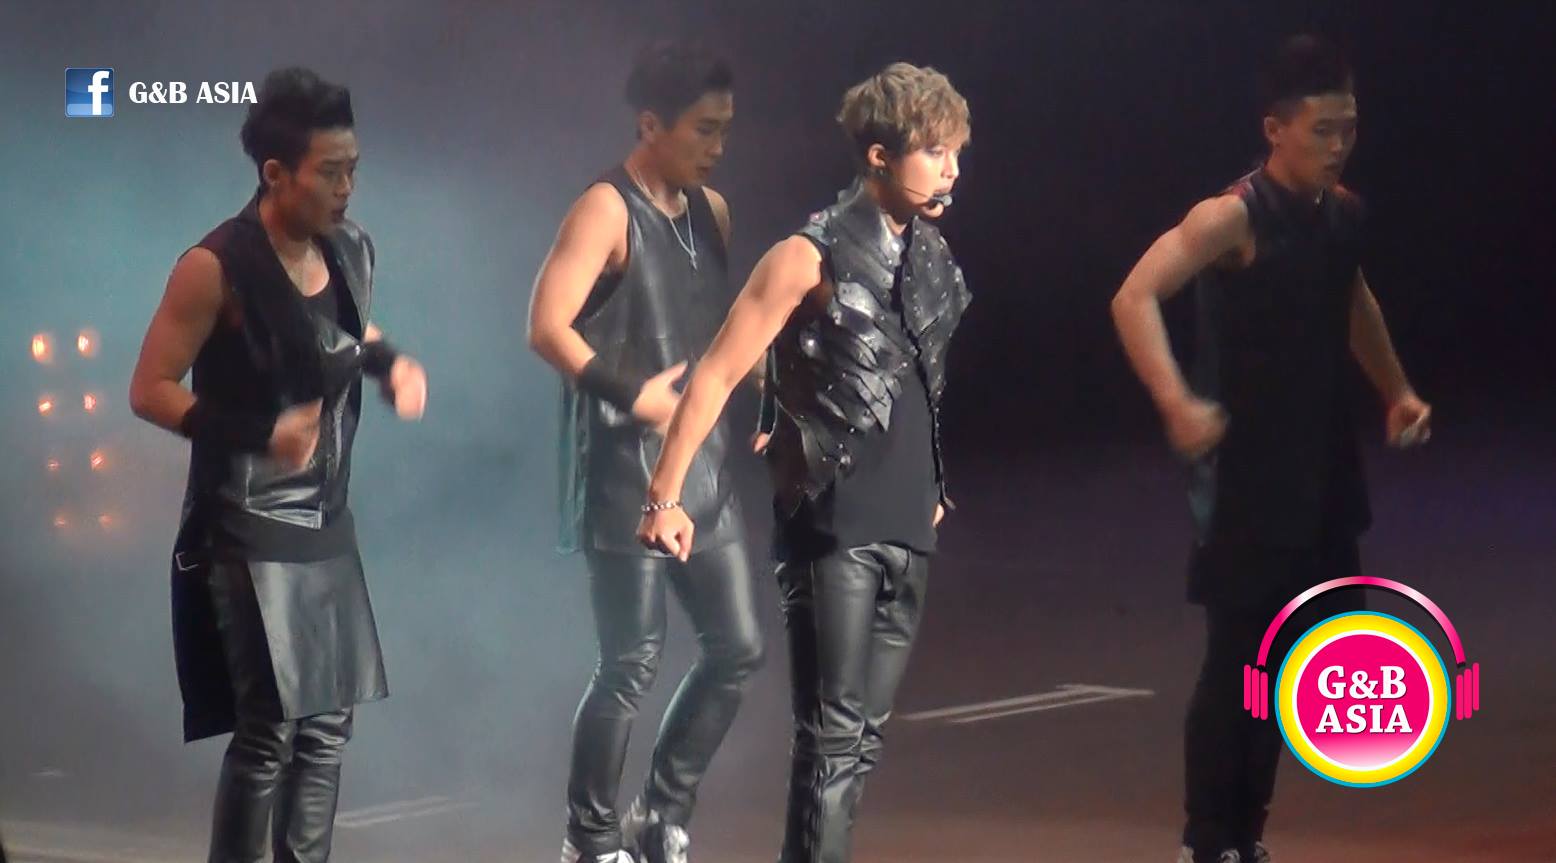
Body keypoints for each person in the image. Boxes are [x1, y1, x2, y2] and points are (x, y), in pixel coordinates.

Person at [1108, 35, 1432, 863]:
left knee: (1303, 655)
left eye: (1348, 129)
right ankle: (1206, 839)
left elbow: (1353, 299)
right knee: (1238, 659)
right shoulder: (1232, 218)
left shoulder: (1343, 214)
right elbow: (1135, 295)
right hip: (1246, 481)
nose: (1338, 145)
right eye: (1322, 130)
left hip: (1322, 471)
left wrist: (1396, 390)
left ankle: (1247, 833)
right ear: (1275, 129)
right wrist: (1176, 401)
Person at [638, 62, 972, 863]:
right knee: (829, 739)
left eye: (958, 151)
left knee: (860, 741)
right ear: (880, 155)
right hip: (833, 522)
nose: (952, 168)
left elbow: (915, 377)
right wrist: (664, 495)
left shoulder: (928, 253)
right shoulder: (806, 255)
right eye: (935, 150)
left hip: (908, 520)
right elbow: (718, 371)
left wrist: (933, 484)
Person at [128, 67, 428, 863]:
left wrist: (391, 364)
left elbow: (349, 331)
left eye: (353, 169)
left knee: (327, 726)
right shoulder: (215, 265)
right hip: (246, 522)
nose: (346, 187)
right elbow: (150, 388)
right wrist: (259, 431)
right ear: (275, 172)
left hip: (324, 516)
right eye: (329, 172)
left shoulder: (351, 249)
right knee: (270, 730)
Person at [526, 40, 762, 863]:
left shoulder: (713, 211)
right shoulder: (605, 208)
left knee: (737, 647)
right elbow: (546, 326)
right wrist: (634, 394)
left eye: (725, 128)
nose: (718, 145)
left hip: (704, 466)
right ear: (651, 124)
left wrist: (770, 395)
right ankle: (588, 841)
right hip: (626, 474)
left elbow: (721, 334)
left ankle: (658, 815)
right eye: (704, 129)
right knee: (631, 662)